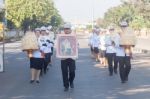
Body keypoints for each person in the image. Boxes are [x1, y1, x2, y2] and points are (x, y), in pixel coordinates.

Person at [59, 23, 76, 91]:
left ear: (70, 29)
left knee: (72, 72)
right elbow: (58, 46)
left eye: (68, 29)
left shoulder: (74, 36)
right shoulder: (60, 37)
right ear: (64, 30)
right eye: (65, 29)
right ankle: (66, 86)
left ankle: (71, 81)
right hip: (63, 57)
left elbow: (77, 46)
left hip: (72, 57)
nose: (66, 30)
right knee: (64, 72)